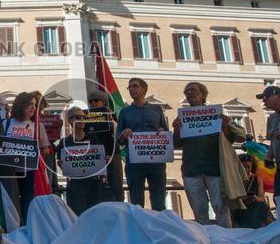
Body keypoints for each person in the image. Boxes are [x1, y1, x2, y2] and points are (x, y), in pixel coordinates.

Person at [172, 82, 245, 227]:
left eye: (193, 90)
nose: (189, 93)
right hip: (191, 169)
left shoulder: (217, 115)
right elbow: (176, 145)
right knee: (199, 211)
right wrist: (176, 130)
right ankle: (206, 243)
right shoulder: (182, 119)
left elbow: (232, 139)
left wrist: (225, 127)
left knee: (221, 208)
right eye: (186, 91)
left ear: (203, 95)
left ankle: (226, 241)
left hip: (215, 168)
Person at [0, 92, 51, 223]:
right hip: (9, 172)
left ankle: (29, 230)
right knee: (10, 205)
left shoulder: (37, 126)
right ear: (20, 105)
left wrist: (40, 149)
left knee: (29, 203)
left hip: (30, 172)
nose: (33, 108)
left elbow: (46, 151)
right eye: (30, 104)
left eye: (35, 105)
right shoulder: (5, 123)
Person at [116, 78, 169, 211]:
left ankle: (158, 228)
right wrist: (123, 135)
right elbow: (118, 139)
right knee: (136, 201)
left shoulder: (157, 109)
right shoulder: (124, 111)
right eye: (129, 87)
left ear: (144, 89)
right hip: (134, 162)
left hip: (156, 161)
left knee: (159, 201)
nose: (132, 89)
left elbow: (166, 132)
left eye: (135, 86)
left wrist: (163, 132)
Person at [57, 107, 108, 215]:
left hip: (94, 185)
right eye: (77, 117)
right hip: (76, 186)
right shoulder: (65, 142)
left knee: (96, 216)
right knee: (77, 216)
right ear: (70, 120)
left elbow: (100, 159)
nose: (81, 119)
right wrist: (62, 165)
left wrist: (104, 161)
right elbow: (61, 162)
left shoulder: (94, 139)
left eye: (83, 117)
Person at [86, 90, 124, 202]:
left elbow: (118, 134)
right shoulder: (86, 117)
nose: (93, 103)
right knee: (96, 185)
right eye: (90, 101)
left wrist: (111, 120)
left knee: (115, 184)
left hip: (112, 153)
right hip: (95, 154)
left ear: (103, 102)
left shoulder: (111, 116)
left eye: (96, 100)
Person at [258, 85, 280, 196]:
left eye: (266, 97)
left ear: (279, 96)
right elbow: (273, 141)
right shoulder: (272, 118)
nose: (264, 100)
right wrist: (269, 157)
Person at [233, 152, 271, 228]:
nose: (246, 170)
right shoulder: (234, 181)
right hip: (240, 210)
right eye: (243, 167)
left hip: (255, 207)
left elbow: (262, 198)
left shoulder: (257, 179)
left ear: (252, 167)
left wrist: (256, 198)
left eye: (248, 167)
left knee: (260, 206)